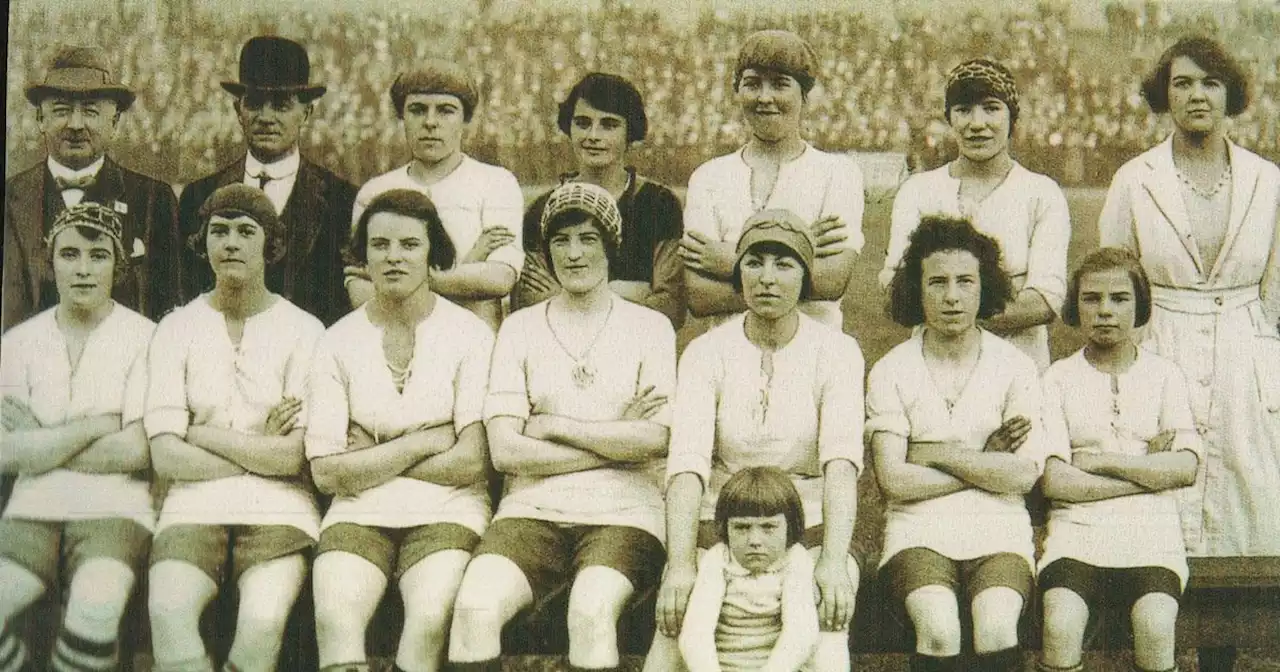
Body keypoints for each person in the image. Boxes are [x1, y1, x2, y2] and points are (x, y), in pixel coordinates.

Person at [1097, 36, 1280, 672]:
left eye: (1208, 83)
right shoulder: (1135, 178)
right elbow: (1113, 281)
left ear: (1230, 94)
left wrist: (1264, 364)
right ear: (1164, 96)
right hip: (1162, 343)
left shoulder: (1267, 179)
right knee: (1163, 511)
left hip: (1243, 353)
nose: (1196, 95)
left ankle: (1224, 659)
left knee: (1239, 507)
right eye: (1181, 84)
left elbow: (1277, 294)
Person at [447, 182, 675, 672]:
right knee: (473, 610)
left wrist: (554, 425)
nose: (573, 254)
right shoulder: (519, 328)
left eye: (588, 239)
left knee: (591, 613)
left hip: (625, 512)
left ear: (611, 247)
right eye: (560, 241)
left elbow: (656, 438)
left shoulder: (650, 327)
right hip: (531, 509)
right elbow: (506, 452)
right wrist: (613, 440)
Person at [652, 210, 864, 672]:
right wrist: (682, 564)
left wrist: (831, 561)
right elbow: (687, 467)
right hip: (725, 518)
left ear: (806, 276)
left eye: (784, 265)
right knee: (673, 631)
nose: (767, 278)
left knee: (827, 632)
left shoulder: (837, 352)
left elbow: (842, 465)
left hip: (806, 521)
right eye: (755, 262)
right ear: (738, 271)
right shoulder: (706, 352)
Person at [307, 189, 494, 672]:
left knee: (430, 615)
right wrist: (426, 440)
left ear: (433, 252)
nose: (393, 257)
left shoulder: (471, 336)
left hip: (449, 512)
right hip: (358, 513)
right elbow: (328, 473)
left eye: (409, 244)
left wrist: (373, 456)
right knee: (335, 615)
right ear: (362, 255)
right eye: (380, 244)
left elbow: (471, 461)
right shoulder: (336, 341)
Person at [145, 185, 324, 672]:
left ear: (271, 245)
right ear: (202, 243)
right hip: (191, 507)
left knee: (263, 620)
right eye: (219, 231)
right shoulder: (175, 328)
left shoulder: (305, 331)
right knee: (168, 610)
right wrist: (256, 446)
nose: (231, 243)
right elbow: (165, 456)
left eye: (247, 231)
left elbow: (293, 459)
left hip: (280, 510)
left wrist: (201, 433)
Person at [867, 215, 1046, 672]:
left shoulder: (1015, 366)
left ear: (984, 287)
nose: (951, 296)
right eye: (937, 282)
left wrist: (935, 454)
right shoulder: (891, 369)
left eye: (965, 281)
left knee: (998, 627)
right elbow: (895, 481)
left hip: (999, 526)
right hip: (917, 530)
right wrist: (984, 463)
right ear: (916, 289)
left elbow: (1023, 474)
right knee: (939, 627)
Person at [0, 203, 156, 672]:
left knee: (96, 607)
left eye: (98, 255)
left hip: (115, 509)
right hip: (32, 507)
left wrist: (44, 442)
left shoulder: (146, 338)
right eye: (69, 254)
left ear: (119, 265)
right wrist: (98, 424)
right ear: (50, 263)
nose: (83, 269)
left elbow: (138, 450)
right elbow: (6, 454)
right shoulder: (18, 341)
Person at [1038, 248, 1202, 672]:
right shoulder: (1057, 378)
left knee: (1155, 624)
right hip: (1076, 534)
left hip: (1151, 535)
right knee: (1059, 621)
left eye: (1119, 298)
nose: (1105, 311)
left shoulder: (1165, 376)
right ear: (1075, 306)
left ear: (1140, 304)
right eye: (1091, 299)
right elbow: (1057, 482)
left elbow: (1185, 467)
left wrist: (1097, 462)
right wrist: (1148, 473)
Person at [880, 58, 1070, 371]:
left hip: (1019, 368)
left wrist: (942, 304)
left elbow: (1044, 302)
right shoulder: (918, 190)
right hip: (933, 368)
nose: (977, 123)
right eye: (963, 109)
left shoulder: (1041, 193)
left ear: (1012, 116)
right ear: (949, 118)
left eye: (991, 108)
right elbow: (894, 290)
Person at [680, 30, 864, 334]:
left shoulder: (838, 173)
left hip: (813, 356)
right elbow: (700, 297)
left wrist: (728, 259)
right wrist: (798, 256)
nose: (765, 98)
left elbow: (832, 280)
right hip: (730, 357)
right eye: (752, 84)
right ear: (737, 91)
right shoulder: (708, 177)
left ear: (805, 95)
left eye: (780, 84)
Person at [177, 36, 358, 327]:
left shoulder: (342, 200)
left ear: (306, 113)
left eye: (281, 105)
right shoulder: (199, 196)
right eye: (256, 103)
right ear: (239, 111)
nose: (266, 117)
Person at [5, 44, 181, 332]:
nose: (76, 125)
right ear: (40, 119)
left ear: (113, 122)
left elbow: (169, 312)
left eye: (90, 112)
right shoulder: (11, 197)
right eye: (61, 110)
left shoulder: (153, 200)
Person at [346, 60, 524, 333]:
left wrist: (401, 280)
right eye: (417, 110)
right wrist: (468, 267)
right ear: (402, 117)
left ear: (465, 119)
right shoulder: (374, 192)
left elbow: (499, 278)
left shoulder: (495, 183)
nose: (430, 122)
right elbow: (359, 291)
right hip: (394, 343)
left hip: (474, 343)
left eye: (445, 111)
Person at [513, 72, 685, 327]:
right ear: (568, 127)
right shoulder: (542, 209)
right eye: (583, 123)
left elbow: (670, 306)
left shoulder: (658, 203)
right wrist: (630, 291)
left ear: (630, 132)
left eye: (609, 124)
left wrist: (565, 296)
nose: (593, 135)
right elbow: (529, 303)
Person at [678, 467, 819, 672]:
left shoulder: (796, 560)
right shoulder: (718, 560)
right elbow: (695, 635)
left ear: (790, 526)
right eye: (741, 528)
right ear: (725, 527)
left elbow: (800, 635)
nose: (754, 541)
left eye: (768, 527)